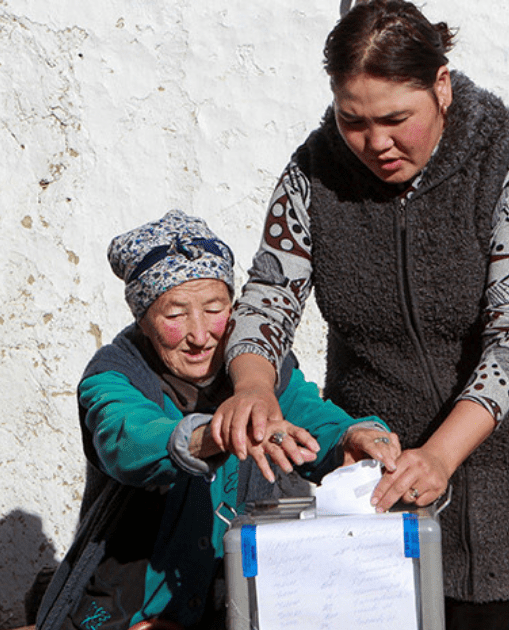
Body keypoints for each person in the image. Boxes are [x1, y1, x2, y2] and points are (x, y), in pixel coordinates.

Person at [209, 2, 509, 627]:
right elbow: (270, 292)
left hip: (502, 484)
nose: (376, 143)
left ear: (442, 87)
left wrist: (441, 456)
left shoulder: (508, 172)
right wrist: (253, 386)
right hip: (368, 476)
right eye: (354, 121)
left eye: (397, 119)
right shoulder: (312, 173)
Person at [37, 210, 400, 630]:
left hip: (237, 604)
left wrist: (352, 436)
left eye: (214, 309)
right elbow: (126, 439)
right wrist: (215, 434)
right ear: (143, 318)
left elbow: (309, 414)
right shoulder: (115, 374)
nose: (199, 334)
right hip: (131, 609)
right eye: (174, 315)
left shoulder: (259, 368)